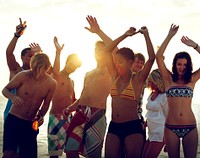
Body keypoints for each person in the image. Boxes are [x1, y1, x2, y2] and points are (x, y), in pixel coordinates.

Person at [62, 15, 113, 158]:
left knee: (93, 154)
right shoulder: (88, 73)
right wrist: (70, 108)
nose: (99, 53)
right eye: (97, 50)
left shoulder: (109, 71)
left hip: (97, 114)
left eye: (102, 50)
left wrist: (98, 31)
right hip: (81, 111)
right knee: (70, 150)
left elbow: (115, 49)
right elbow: (82, 97)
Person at [104, 26, 155, 158]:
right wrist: (125, 34)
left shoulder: (137, 80)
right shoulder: (114, 76)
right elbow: (106, 51)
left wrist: (146, 35)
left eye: (120, 62)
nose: (116, 64)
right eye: (115, 62)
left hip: (132, 127)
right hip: (114, 126)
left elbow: (151, 58)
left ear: (130, 62)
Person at [156, 24, 200, 158]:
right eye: (179, 64)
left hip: (190, 127)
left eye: (185, 64)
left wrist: (196, 46)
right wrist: (170, 35)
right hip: (171, 127)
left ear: (189, 66)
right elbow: (158, 57)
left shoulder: (192, 79)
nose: (182, 67)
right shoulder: (168, 79)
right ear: (175, 64)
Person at [2, 53, 57, 158]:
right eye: (37, 69)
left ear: (47, 68)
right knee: (9, 153)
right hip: (14, 119)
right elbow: (5, 90)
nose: (39, 74)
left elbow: (46, 104)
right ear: (33, 65)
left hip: (31, 123)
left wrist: (40, 116)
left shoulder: (51, 83)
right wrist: (12, 97)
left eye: (43, 70)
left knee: (29, 155)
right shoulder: (23, 76)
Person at [47, 36, 81, 158]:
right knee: (54, 154)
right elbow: (55, 70)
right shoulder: (56, 76)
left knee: (71, 151)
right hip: (55, 118)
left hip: (69, 118)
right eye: (72, 64)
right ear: (67, 61)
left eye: (75, 67)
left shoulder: (71, 81)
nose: (72, 68)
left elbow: (73, 101)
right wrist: (58, 52)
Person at [4, 18, 42, 120]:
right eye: (30, 56)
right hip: (12, 114)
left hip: (30, 116)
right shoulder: (16, 70)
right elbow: (9, 53)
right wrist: (17, 35)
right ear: (22, 57)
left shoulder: (37, 75)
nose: (32, 59)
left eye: (35, 57)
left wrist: (41, 53)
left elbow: (51, 71)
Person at [142, 69, 168, 158]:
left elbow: (169, 117)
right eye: (150, 82)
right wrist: (146, 123)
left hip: (160, 133)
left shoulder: (164, 96)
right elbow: (151, 112)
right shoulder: (152, 94)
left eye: (153, 82)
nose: (151, 84)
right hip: (151, 132)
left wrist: (168, 140)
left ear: (159, 81)